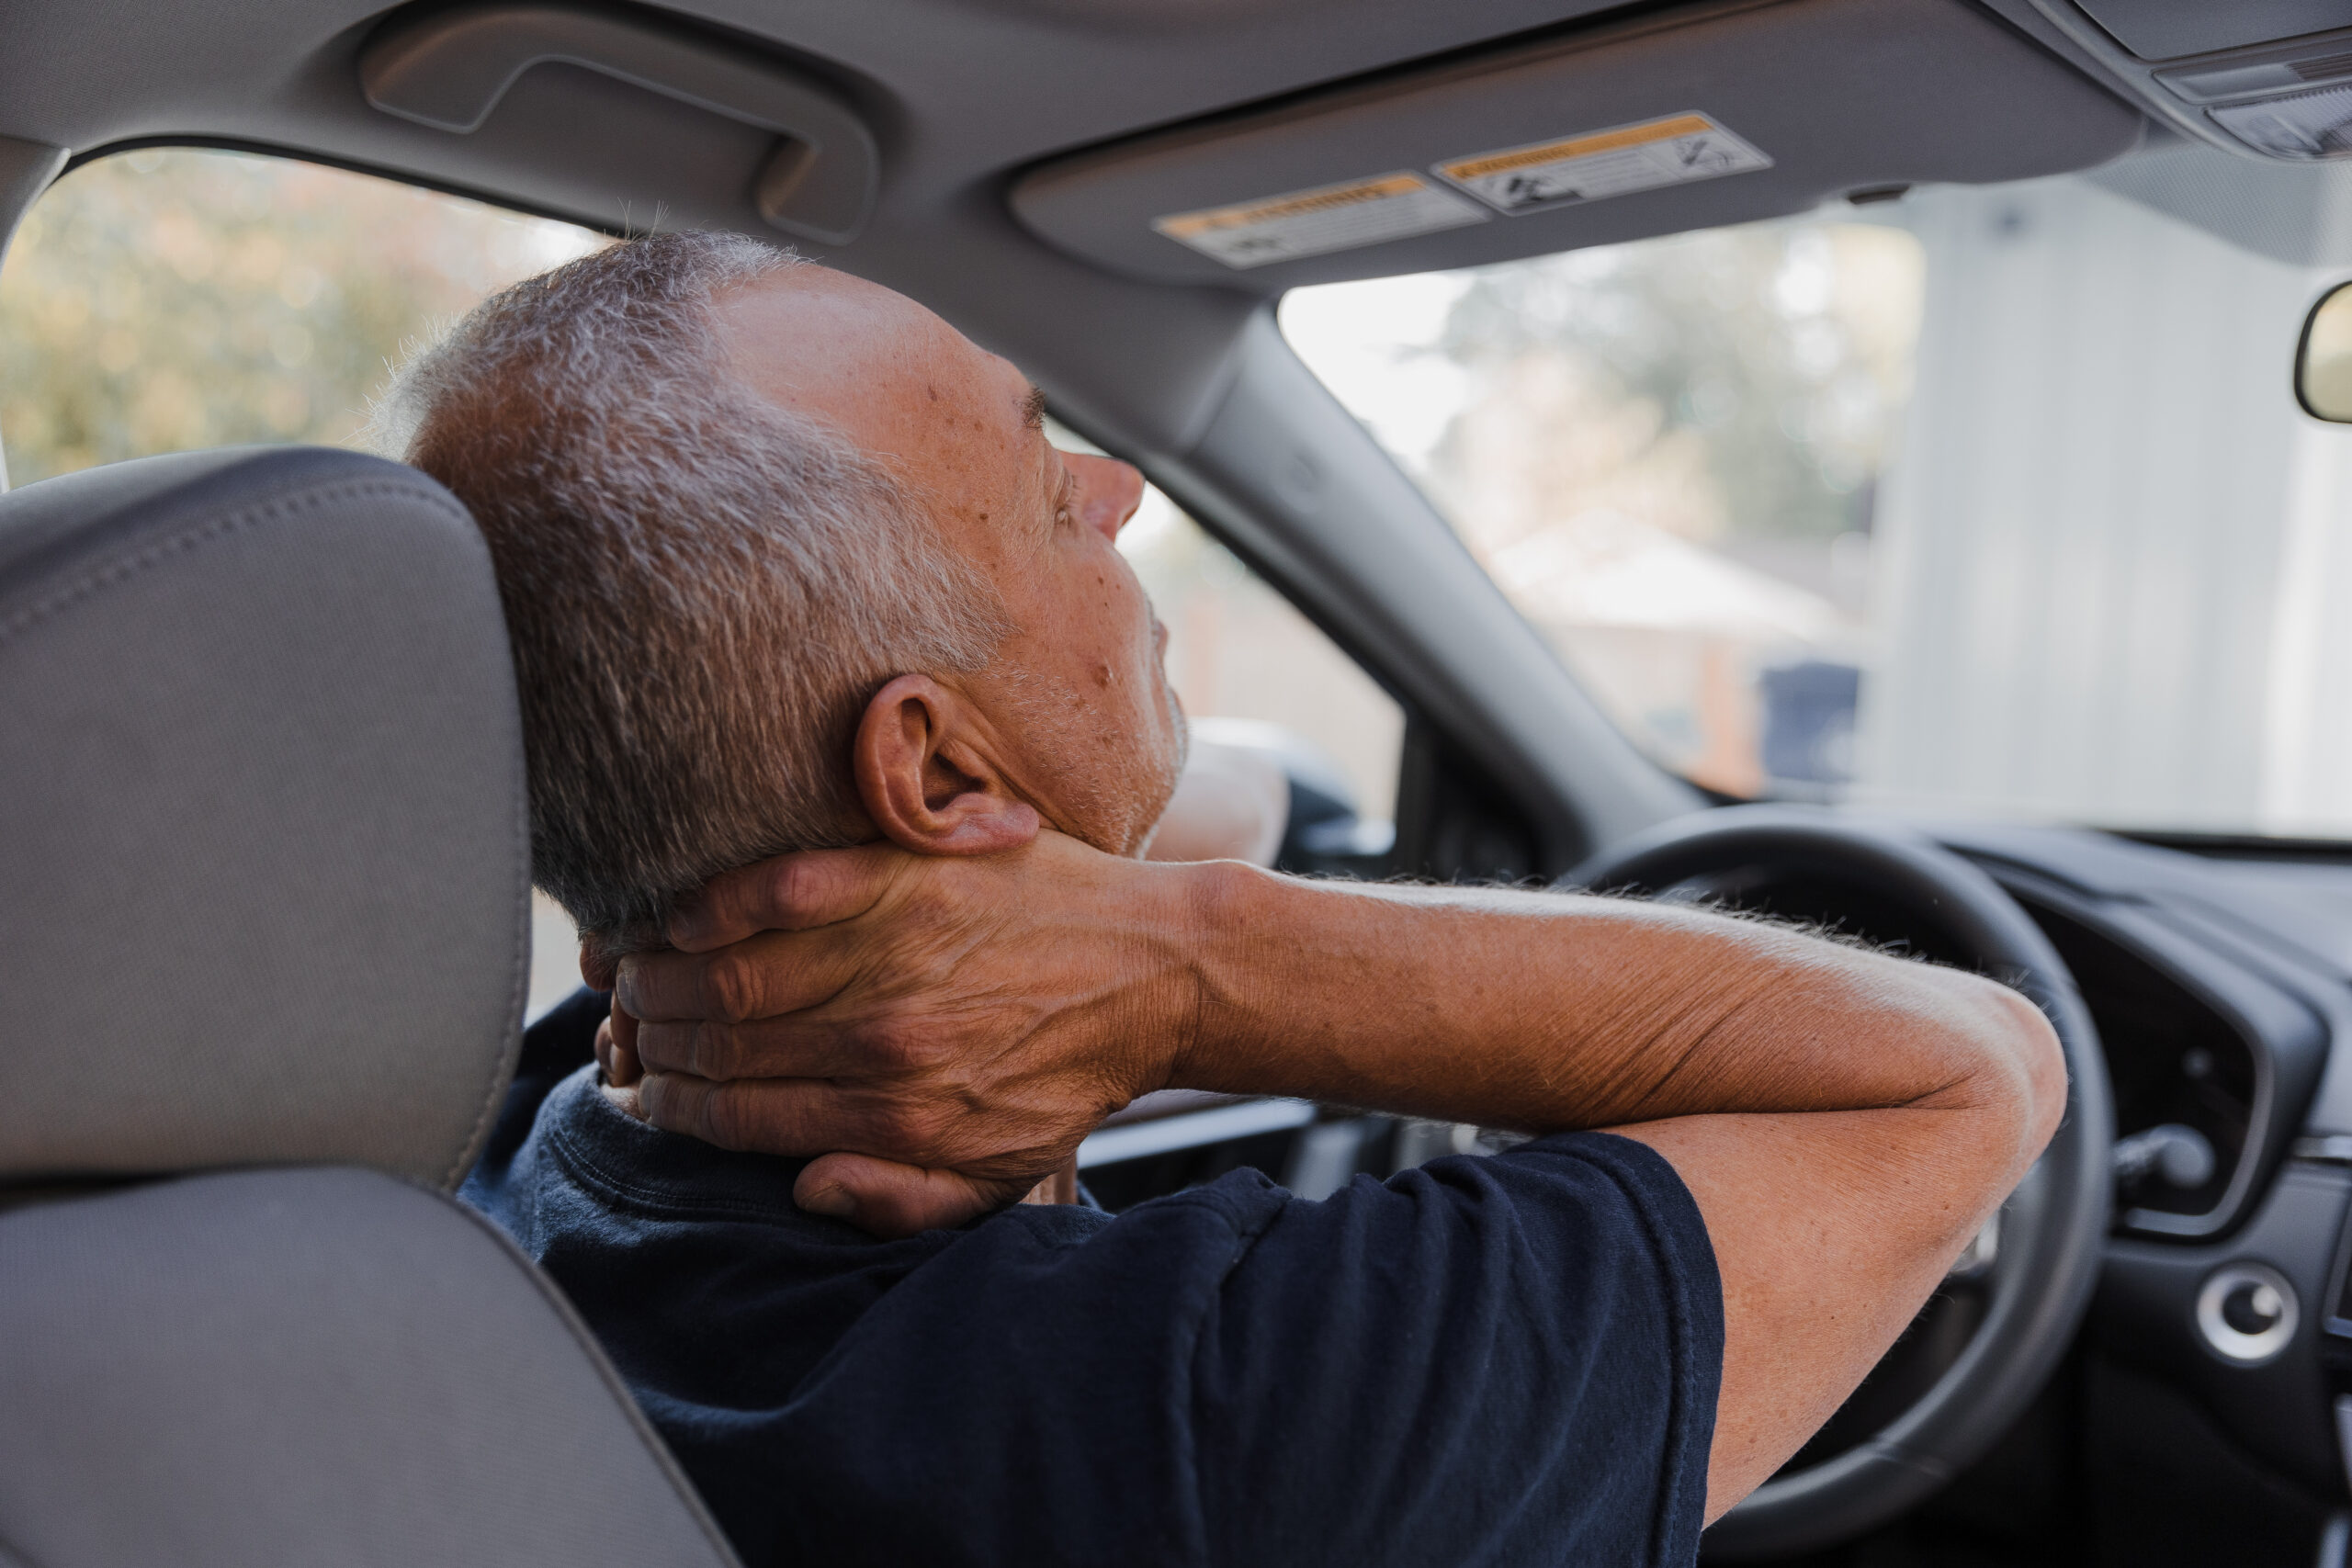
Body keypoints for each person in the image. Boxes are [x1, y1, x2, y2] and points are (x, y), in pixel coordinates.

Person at [383, 231, 2064, 1568]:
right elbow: (1972, 1070)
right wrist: (1194, 964)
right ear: (940, 778)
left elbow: (1236, 783)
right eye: (1051, 490)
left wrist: (1089, 848)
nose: (1119, 487)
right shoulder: (1232, 1417)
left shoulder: (502, 1155)